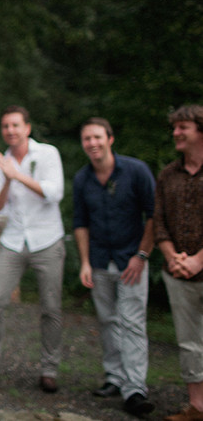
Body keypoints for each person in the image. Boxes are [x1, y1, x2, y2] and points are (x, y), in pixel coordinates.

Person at [0, 105, 65, 393]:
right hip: (13, 239)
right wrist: (8, 177)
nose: (10, 131)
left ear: (27, 128)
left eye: (15, 125)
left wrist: (17, 173)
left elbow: (54, 193)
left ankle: (49, 369)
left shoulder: (47, 154)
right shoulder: (2, 163)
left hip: (47, 240)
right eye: (6, 126)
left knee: (51, 308)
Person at [73, 117, 156, 416]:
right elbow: (80, 224)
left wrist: (142, 255)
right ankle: (114, 377)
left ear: (110, 139)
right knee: (108, 321)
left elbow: (154, 216)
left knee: (131, 323)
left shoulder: (136, 171)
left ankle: (135, 389)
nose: (92, 143)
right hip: (98, 261)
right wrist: (84, 263)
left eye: (97, 137)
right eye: (87, 139)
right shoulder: (83, 179)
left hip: (131, 261)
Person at [153, 105, 203, 421]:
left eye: (183, 127)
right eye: (175, 127)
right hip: (178, 272)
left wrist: (199, 260)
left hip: (198, 264)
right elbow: (159, 222)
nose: (176, 133)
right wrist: (173, 257)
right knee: (189, 341)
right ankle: (197, 407)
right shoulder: (168, 174)